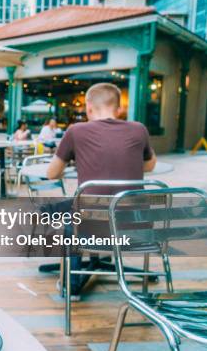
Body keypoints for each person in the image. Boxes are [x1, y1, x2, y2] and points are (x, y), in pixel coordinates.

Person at [46, 82, 156, 296]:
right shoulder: (139, 129)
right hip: (135, 223)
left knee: (65, 214)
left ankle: (72, 283)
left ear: (88, 108)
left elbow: (52, 173)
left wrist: (77, 159)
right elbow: (151, 164)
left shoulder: (76, 131)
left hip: (92, 225)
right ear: (119, 108)